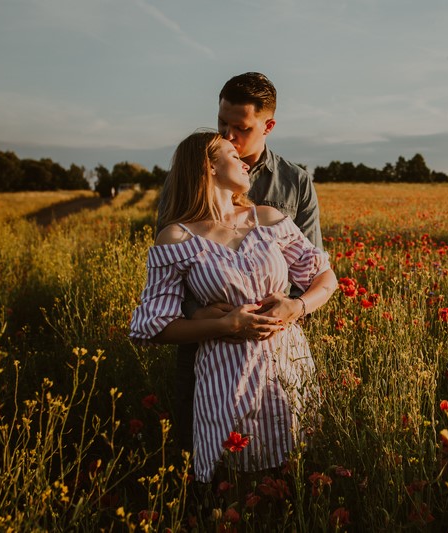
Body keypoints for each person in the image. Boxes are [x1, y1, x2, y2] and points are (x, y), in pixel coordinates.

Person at [131, 130, 337, 482]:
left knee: (298, 471)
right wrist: (227, 325)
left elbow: (326, 278)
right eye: (231, 154)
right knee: (235, 478)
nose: (243, 162)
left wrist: (296, 306)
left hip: (288, 365)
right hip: (226, 375)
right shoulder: (178, 237)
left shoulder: (268, 219)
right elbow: (153, 326)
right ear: (207, 166)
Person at [157, 72, 324, 451]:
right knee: (205, 455)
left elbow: (312, 272)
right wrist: (204, 318)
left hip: (274, 348)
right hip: (204, 348)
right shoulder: (187, 177)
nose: (228, 135)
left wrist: (292, 308)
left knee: (289, 456)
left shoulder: (294, 182)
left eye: (240, 128)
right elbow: (170, 266)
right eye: (222, 124)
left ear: (268, 126)